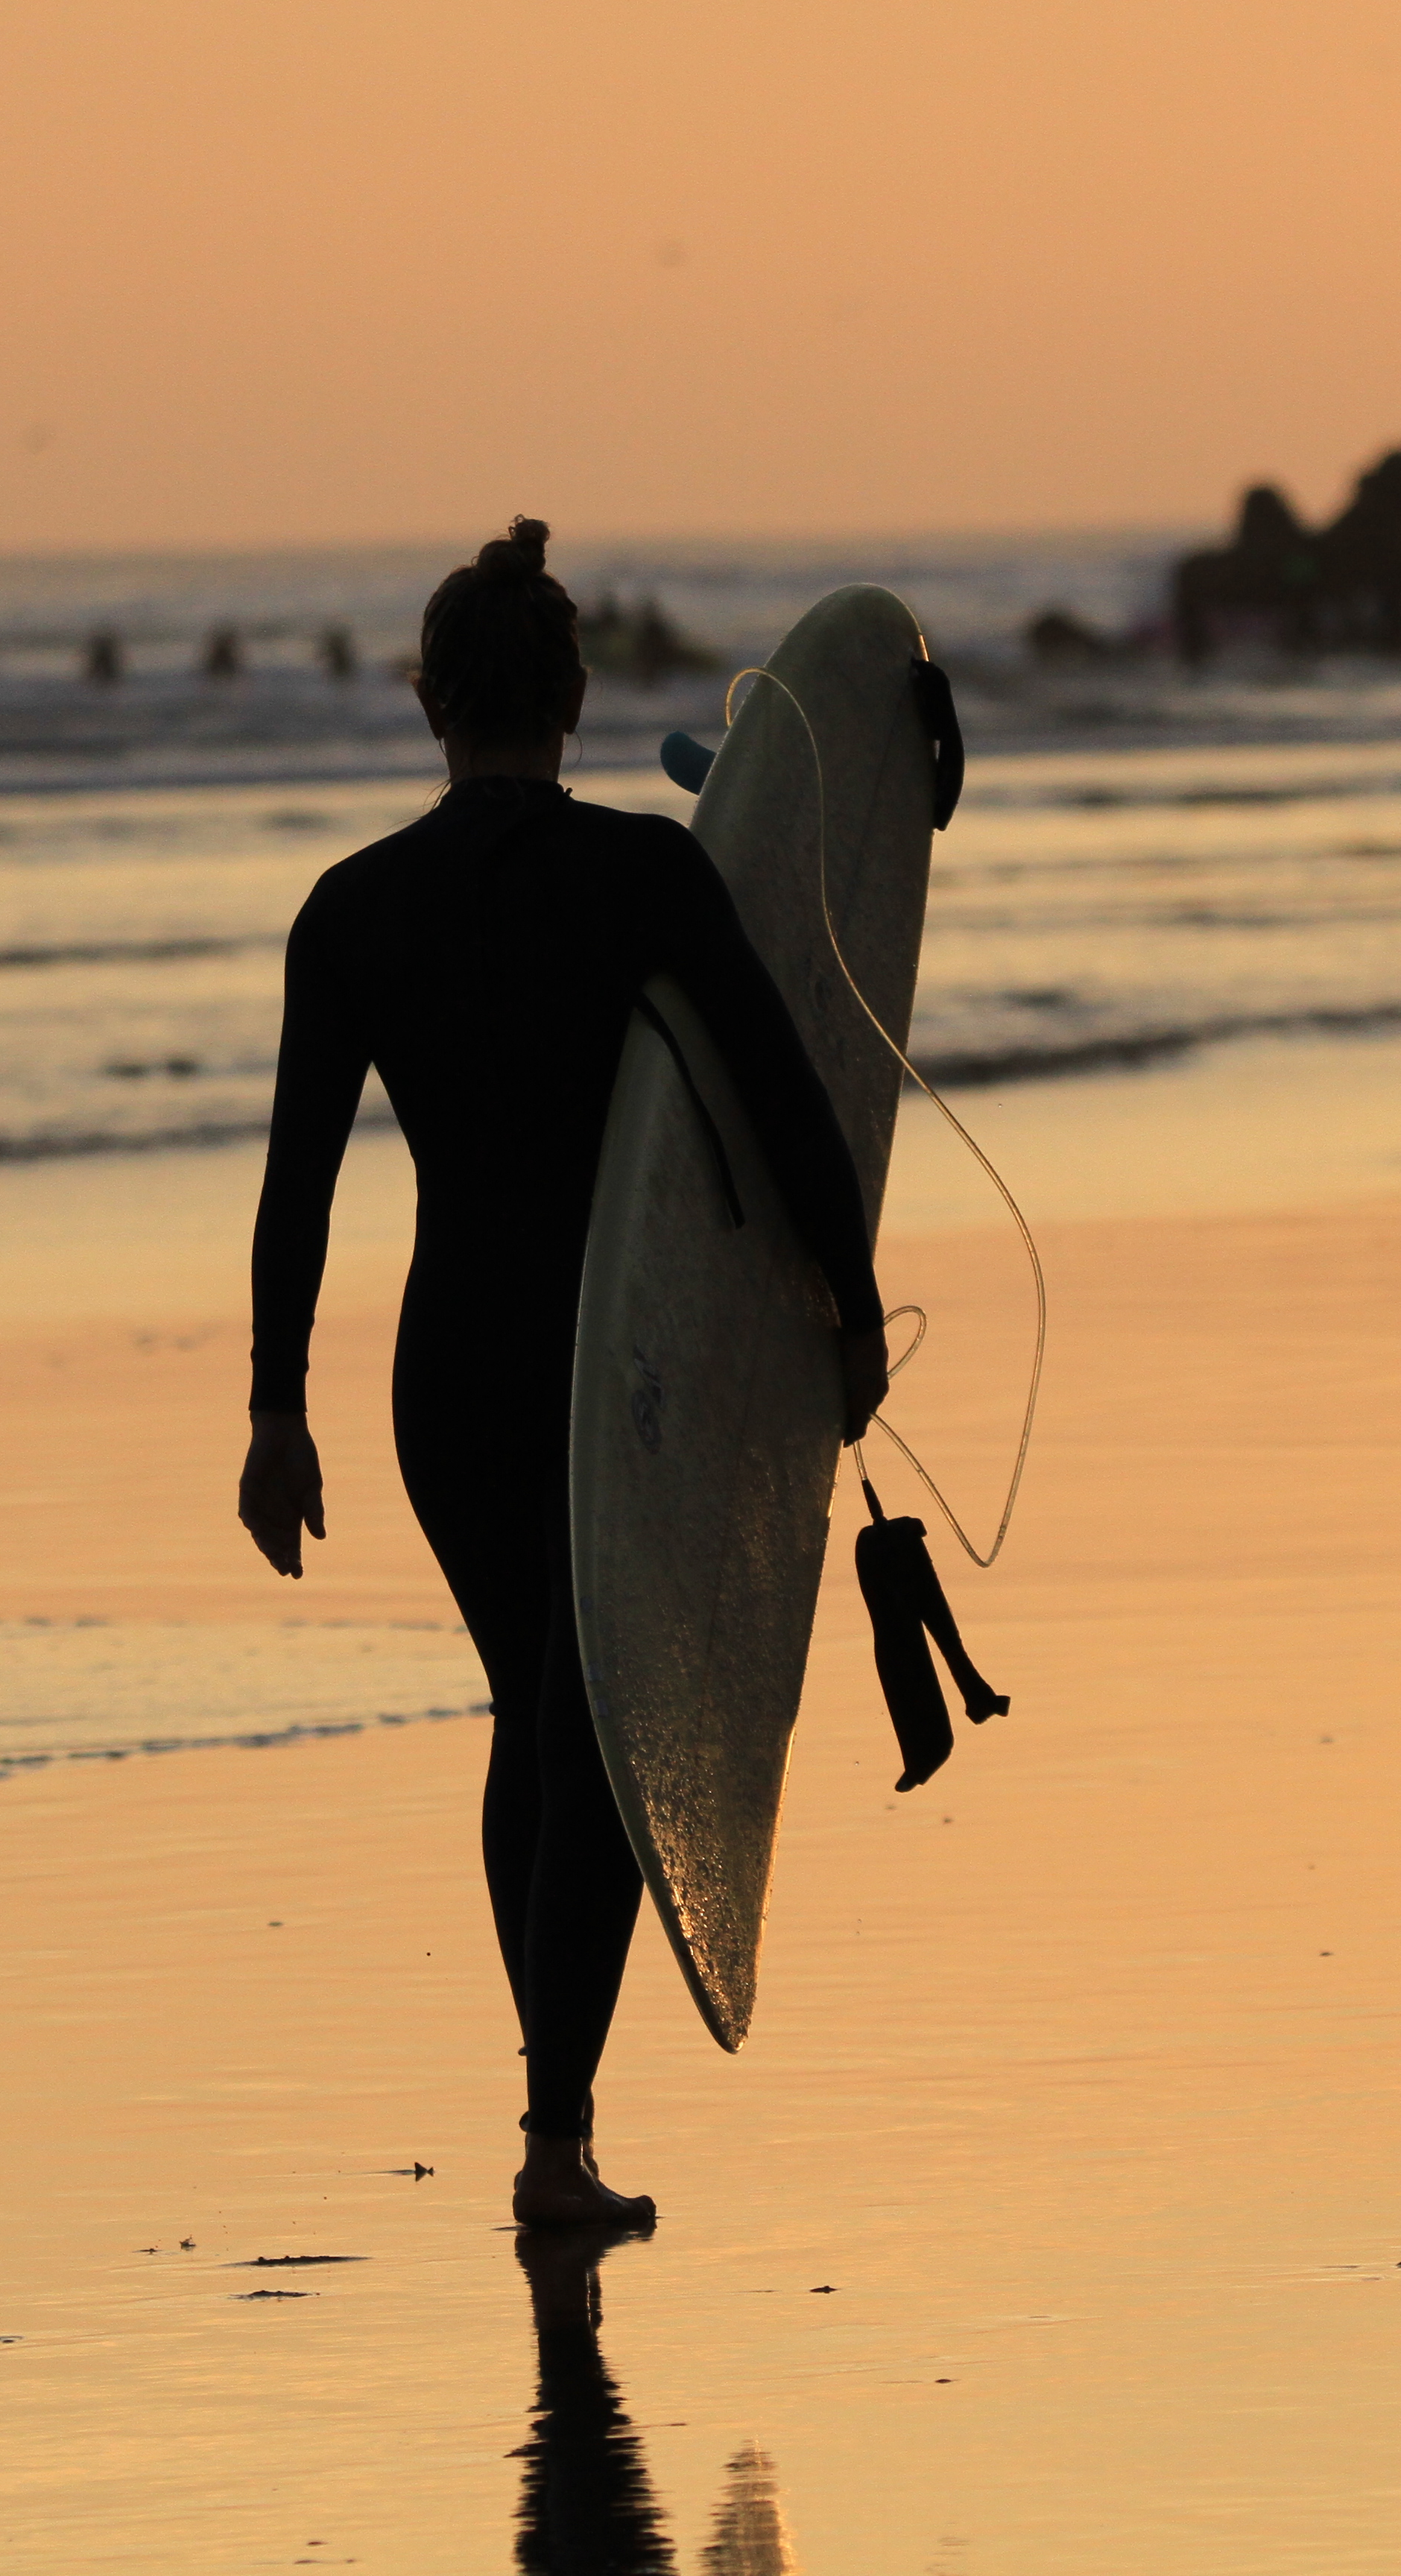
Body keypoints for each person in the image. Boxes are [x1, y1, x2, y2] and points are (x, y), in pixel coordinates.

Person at [237, 518, 888, 2231]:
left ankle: (552, 2120)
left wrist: (271, 1410)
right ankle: (550, 2133)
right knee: (582, 1720)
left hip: (447, 1368)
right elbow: (782, 1096)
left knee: (546, 1706)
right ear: (576, 697)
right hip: (625, 1359)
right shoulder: (644, 880)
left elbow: (295, 1183)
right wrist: (850, 1301)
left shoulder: (352, 910)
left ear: (427, 700)